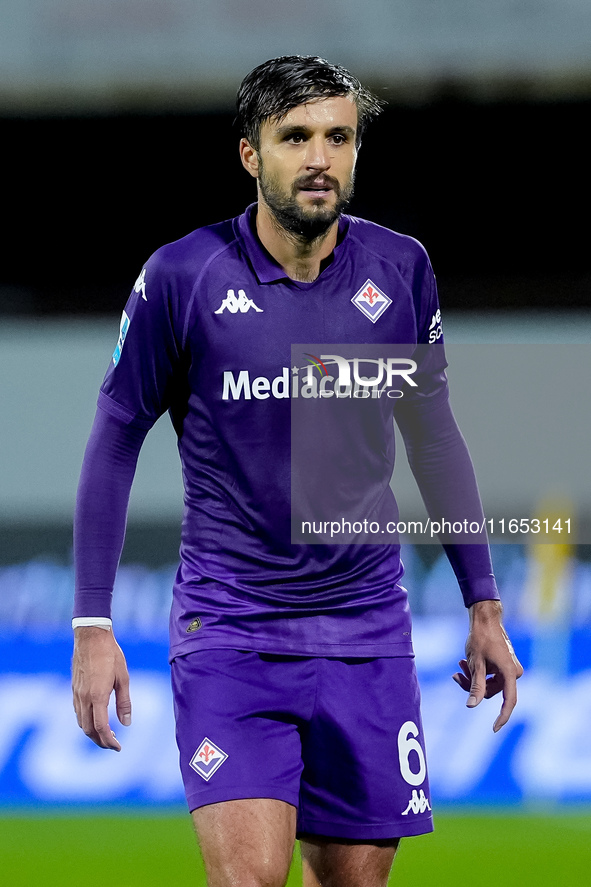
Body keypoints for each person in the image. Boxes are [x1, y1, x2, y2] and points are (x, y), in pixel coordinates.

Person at [72, 56, 523, 887]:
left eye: (338, 137)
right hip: (233, 632)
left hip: (367, 633)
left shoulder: (399, 270)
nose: (320, 157)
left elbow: (432, 436)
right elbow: (114, 437)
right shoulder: (185, 275)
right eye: (295, 137)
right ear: (250, 154)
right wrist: (91, 625)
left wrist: (483, 603)